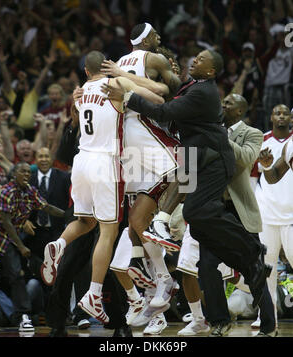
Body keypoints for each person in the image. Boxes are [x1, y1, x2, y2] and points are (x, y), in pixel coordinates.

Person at [102, 49, 271, 310]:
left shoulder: (204, 91)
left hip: (214, 158)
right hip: (197, 158)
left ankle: (252, 250)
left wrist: (127, 96)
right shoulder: (194, 85)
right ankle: (249, 261)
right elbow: (173, 91)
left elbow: (165, 111)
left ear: (212, 71)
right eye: (196, 57)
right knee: (197, 215)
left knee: (201, 209)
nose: (194, 59)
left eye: (201, 59)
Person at [41, 50, 166, 324]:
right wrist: (123, 77)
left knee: (84, 222)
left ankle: (59, 243)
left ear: (86, 71)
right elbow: (158, 96)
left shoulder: (82, 90)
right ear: (107, 67)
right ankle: (93, 295)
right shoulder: (115, 83)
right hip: (105, 161)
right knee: (107, 231)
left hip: (81, 162)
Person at [99, 22, 182, 307]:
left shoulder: (119, 62)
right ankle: (162, 271)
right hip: (142, 128)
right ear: (146, 40)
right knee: (184, 166)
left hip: (125, 138)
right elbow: (170, 91)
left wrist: (123, 78)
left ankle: (159, 277)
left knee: (137, 220)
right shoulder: (154, 58)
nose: (160, 38)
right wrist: (148, 85)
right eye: (156, 35)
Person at [194, 93, 275, 337]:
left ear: (239, 111)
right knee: (206, 267)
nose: (223, 105)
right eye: (222, 101)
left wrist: (219, 137)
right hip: (212, 211)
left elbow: (245, 159)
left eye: (228, 103)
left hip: (239, 211)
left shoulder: (253, 133)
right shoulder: (210, 131)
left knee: (254, 269)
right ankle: (220, 320)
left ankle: (269, 324)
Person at [0, 162, 65, 332]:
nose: (26, 174)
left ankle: (23, 315)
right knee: (15, 275)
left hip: (10, 240)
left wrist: (69, 215)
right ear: (13, 174)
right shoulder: (5, 192)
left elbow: (46, 207)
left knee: (19, 276)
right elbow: (6, 223)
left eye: (28, 172)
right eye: (22, 171)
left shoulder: (30, 191)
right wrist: (21, 246)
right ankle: (22, 315)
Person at [251, 104, 293, 329]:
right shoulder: (261, 140)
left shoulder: (291, 143)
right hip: (267, 212)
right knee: (266, 268)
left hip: (291, 213)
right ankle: (267, 317)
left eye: (285, 113)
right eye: (278, 113)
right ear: (271, 117)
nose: (282, 116)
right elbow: (265, 177)